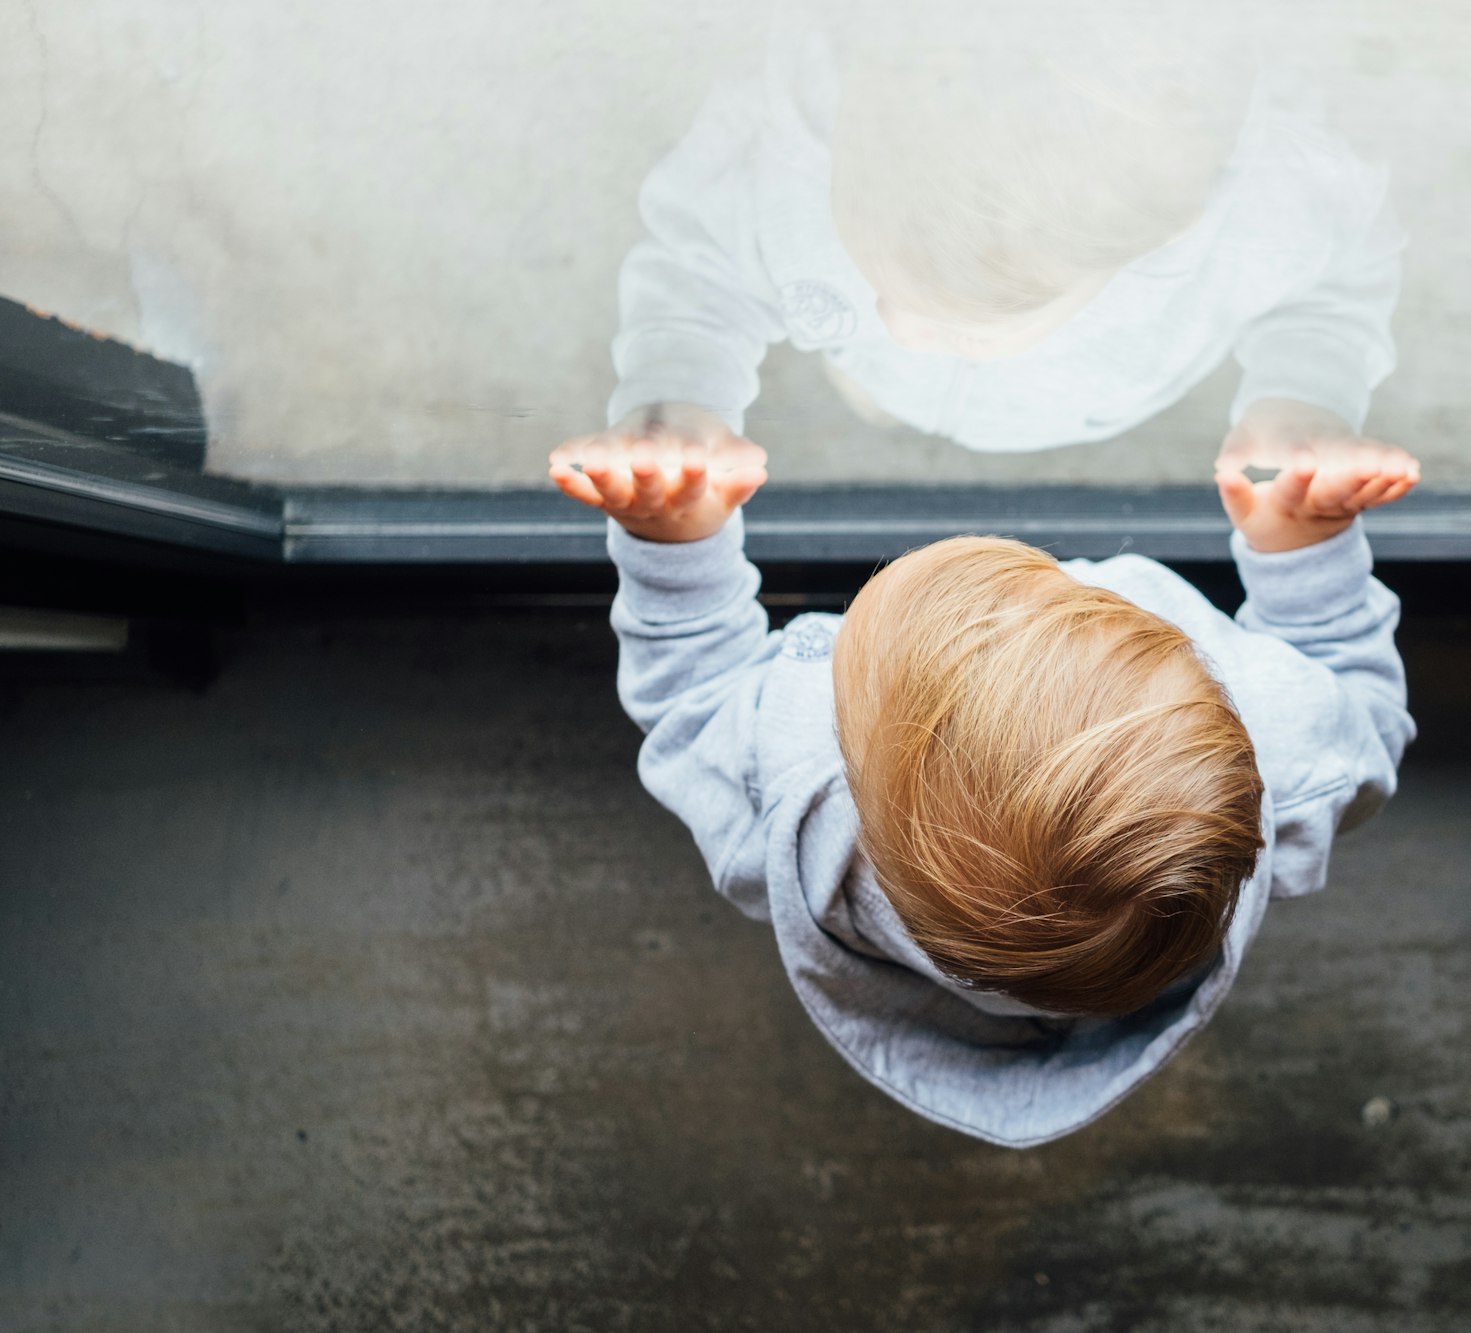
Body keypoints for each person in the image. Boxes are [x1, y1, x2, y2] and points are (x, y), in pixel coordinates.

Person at [543, 431, 1420, 1147]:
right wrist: (1304, 551)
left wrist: (673, 541)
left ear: (847, 749)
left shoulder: (795, 800)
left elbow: (696, 702)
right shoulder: (1281, 733)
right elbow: (1366, 718)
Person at [598, 3, 1408, 476]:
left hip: (1102, 400)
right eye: (874, 274)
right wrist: (680, 392)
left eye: (957, 321)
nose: (900, 328)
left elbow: (1333, 291)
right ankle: (881, 401)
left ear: (1144, 249)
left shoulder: (1278, 205)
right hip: (871, 380)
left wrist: (1302, 396)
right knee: (875, 378)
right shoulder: (777, 144)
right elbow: (702, 262)